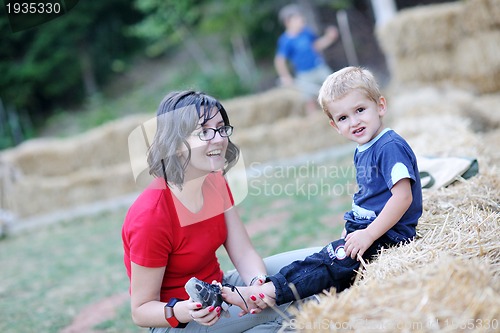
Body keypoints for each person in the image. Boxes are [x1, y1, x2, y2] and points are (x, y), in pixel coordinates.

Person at [223, 66, 423, 313]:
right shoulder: (366, 147)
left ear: (381, 106)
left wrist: (368, 234)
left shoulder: (388, 146)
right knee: (323, 263)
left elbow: (403, 197)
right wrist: (352, 228)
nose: (354, 122)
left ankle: (267, 293)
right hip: (368, 231)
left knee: (326, 264)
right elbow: (368, 196)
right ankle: (268, 293)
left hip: (389, 236)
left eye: (360, 110)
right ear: (334, 126)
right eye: (343, 118)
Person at [122, 90, 320, 332]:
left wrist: (258, 286)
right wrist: (184, 310)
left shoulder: (214, 180)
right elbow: (141, 310)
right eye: (204, 131)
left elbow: (244, 252)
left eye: (221, 128)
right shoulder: (151, 216)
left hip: (221, 287)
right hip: (182, 321)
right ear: (175, 143)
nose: (218, 139)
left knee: (318, 267)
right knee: (301, 308)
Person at [275, 4, 339, 114]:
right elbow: (280, 61)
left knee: (334, 89)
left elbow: (316, 46)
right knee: (309, 101)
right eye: (297, 18)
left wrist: (329, 38)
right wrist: (286, 76)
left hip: (319, 67)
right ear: (288, 22)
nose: (301, 20)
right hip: (304, 74)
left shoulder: (306, 32)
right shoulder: (285, 41)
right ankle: (314, 122)